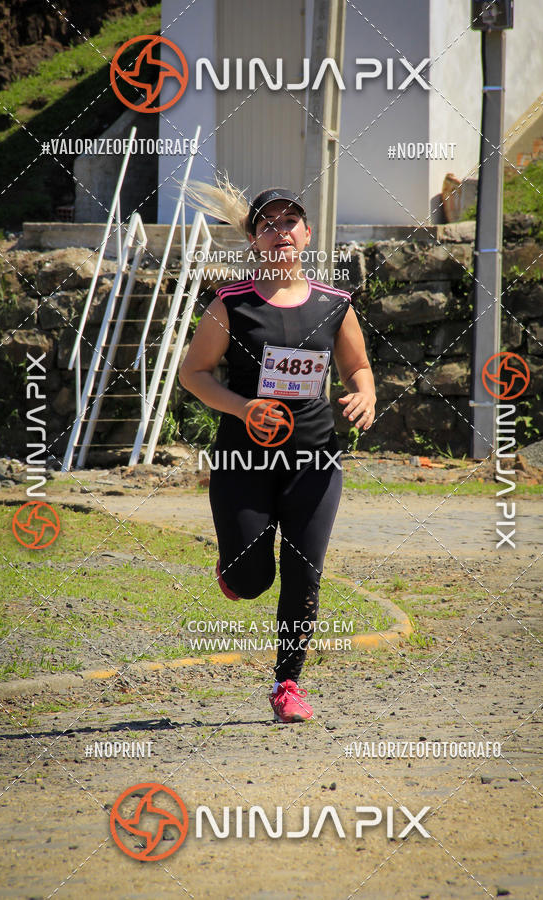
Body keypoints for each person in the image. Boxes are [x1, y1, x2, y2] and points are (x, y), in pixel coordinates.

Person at [178, 179, 376, 723]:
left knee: (304, 571)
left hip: (314, 462)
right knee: (251, 580)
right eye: (268, 224)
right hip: (245, 460)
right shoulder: (232, 304)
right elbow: (192, 374)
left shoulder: (335, 305)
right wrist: (244, 408)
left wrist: (365, 393)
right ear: (254, 239)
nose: (280, 231)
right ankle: (233, 568)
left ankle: (288, 683)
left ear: (307, 234)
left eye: (290, 222)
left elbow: (357, 368)